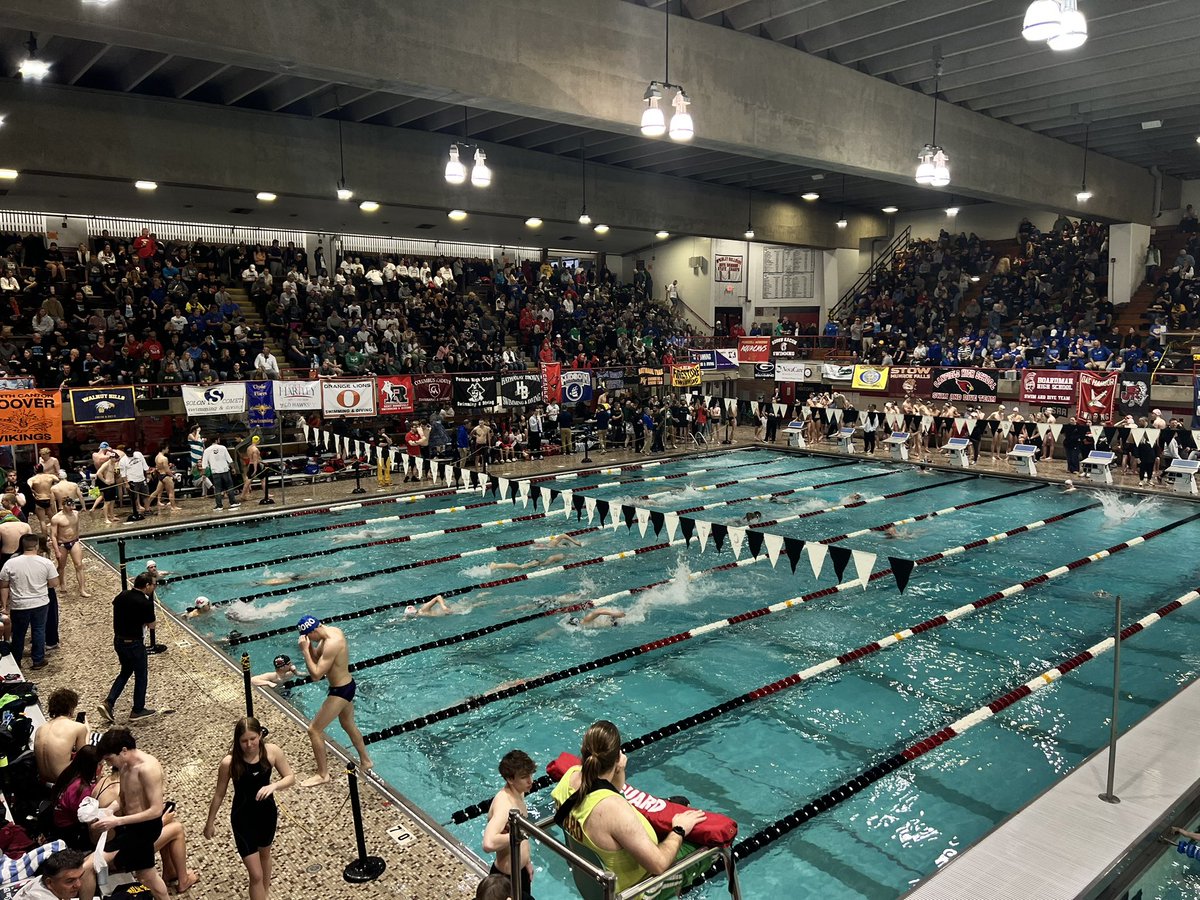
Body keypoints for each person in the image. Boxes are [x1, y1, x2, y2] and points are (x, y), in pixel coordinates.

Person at [551, 720, 706, 897]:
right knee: (706, 845)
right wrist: (679, 829)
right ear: (617, 758)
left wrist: (619, 771)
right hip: (636, 892)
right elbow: (659, 864)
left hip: (592, 886)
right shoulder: (614, 810)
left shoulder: (569, 778)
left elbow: (608, 791)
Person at [203, 717, 294, 900]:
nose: (249, 744)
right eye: (244, 741)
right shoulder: (229, 763)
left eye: (253, 739)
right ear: (237, 741)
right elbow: (219, 794)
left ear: (260, 735)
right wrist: (210, 822)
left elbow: (290, 777)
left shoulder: (272, 752)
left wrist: (274, 786)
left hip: (267, 815)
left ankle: (264, 895)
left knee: (265, 856)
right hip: (242, 820)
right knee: (256, 874)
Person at [89, 728, 183, 900]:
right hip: (130, 826)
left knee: (147, 877)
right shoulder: (124, 765)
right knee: (144, 876)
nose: (109, 765)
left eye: (110, 759)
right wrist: (109, 810)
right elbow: (124, 797)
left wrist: (117, 821)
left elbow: (156, 810)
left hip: (145, 828)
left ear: (124, 750)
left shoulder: (147, 769)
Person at [295, 615, 372, 785]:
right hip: (345, 686)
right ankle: (366, 761)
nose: (310, 640)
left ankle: (323, 775)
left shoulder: (332, 643)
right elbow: (318, 659)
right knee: (348, 724)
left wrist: (305, 651)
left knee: (314, 730)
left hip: (341, 691)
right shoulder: (331, 632)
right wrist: (310, 647)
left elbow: (316, 675)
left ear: (313, 631)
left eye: (309, 637)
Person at [99, 573, 170, 723]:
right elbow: (152, 625)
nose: (155, 587)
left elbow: (121, 610)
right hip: (134, 644)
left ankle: (109, 702)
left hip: (118, 641)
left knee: (125, 671)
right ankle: (138, 710)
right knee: (141, 675)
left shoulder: (122, 595)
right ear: (147, 586)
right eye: (154, 585)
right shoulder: (145, 603)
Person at [0, 533, 60, 669]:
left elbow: (3, 585)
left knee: (19, 633)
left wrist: (4, 605)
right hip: (40, 602)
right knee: (39, 630)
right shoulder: (45, 562)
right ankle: (38, 660)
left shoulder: (10, 563)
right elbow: (54, 583)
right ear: (37, 546)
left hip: (19, 604)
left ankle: (16, 661)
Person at [482, 750, 536, 899]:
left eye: (531, 774)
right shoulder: (505, 804)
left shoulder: (518, 792)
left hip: (520, 871)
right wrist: (518, 835)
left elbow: (517, 833)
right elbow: (488, 843)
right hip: (506, 880)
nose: (530, 781)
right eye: (524, 777)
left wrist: (526, 862)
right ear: (510, 779)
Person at [34, 688, 89, 785]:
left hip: (43, 779)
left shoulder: (40, 729)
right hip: (63, 780)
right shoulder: (79, 727)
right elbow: (84, 757)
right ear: (71, 708)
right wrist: (87, 732)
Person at [48, 498, 89, 597]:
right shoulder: (56, 518)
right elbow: (53, 535)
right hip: (62, 544)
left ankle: (82, 589)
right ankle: (62, 585)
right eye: (69, 505)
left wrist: (78, 539)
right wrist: (56, 550)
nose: (71, 508)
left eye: (72, 505)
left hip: (74, 541)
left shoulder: (76, 514)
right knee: (61, 566)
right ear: (63, 505)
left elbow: (76, 528)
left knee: (79, 565)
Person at [11, 848, 88, 900]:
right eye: (70, 881)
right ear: (49, 882)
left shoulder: (42, 879)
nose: (78, 885)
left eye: (80, 877)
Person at [202, 436, 239, 511]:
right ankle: (233, 503)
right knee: (230, 486)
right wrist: (233, 468)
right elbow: (229, 459)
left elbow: (204, 464)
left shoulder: (207, 450)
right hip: (225, 470)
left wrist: (204, 474)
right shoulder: (223, 447)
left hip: (215, 472)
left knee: (217, 489)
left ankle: (219, 506)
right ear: (217, 440)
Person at [0, 492, 30, 566]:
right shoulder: (14, 513)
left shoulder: (19, 514)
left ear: (8, 501)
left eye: (3, 500)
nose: (1, 502)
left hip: (15, 551)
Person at [241, 435, 263, 502]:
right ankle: (266, 493)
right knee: (263, 480)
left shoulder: (249, 448)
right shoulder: (255, 449)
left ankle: (243, 495)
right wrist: (255, 469)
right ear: (258, 441)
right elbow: (255, 460)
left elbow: (249, 458)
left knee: (248, 481)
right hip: (255, 465)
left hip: (250, 465)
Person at [488, 555, 566, 571]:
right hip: (537, 563)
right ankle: (497, 565)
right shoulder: (551, 558)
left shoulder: (549, 560)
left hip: (537, 563)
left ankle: (498, 566)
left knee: (520, 567)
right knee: (519, 567)